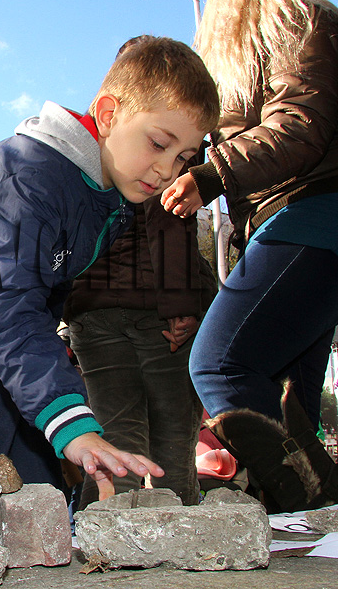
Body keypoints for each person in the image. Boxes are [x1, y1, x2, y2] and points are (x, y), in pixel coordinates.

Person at [0, 36, 220, 496]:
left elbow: (54, 281)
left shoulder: (114, 195)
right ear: (108, 115)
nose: (168, 170)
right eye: (159, 144)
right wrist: (73, 425)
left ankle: (42, 515)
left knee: (33, 415)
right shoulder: (30, 182)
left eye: (183, 157)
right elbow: (14, 310)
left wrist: (55, 397)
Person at [161, 0, 338, 512]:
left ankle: (307, 498)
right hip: (300, 224)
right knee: (291, 403)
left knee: (218, 364)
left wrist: (211, 174)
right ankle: (313, 522)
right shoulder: (302, 32)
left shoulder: (296, 24)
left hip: (310, 214)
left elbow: (299, 125)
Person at [66, 188, 217, 508]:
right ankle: (177, 534)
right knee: (172, 439)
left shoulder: (70, 158)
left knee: (113, 440)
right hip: (155, 304)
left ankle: (101, 534)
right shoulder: (161, 155)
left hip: (90, 302)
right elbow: (170, 211)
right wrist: (181, 302)